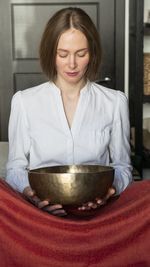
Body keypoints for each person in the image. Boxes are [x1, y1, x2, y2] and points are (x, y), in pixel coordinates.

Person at [6, 7, 132, 217]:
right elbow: (14, 169)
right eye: (62, 54)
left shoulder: (114, 102)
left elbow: (123, 167)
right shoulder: (25, 102)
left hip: (97, 214)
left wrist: (111, 190)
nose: (72, 64)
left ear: (91, 53)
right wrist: (32, 194)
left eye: (80, 54)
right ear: (50, 52)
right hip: (42, 214)